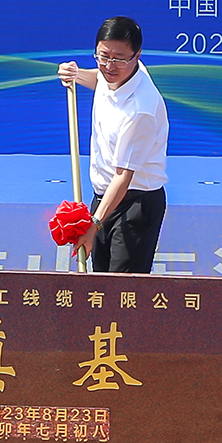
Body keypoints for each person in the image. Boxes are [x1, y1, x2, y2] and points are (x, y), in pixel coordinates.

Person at [56, 17, 169, 274]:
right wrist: (76, 75)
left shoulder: (140, 110)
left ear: (137, 56)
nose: (109, 66)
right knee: (101, 286)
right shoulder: (123, 72)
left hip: (136, 204)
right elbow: (102, 80)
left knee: (121, 290)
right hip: (104, 197)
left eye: (119, 59)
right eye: (103, 56)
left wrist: (94, 224)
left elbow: (123, 176)